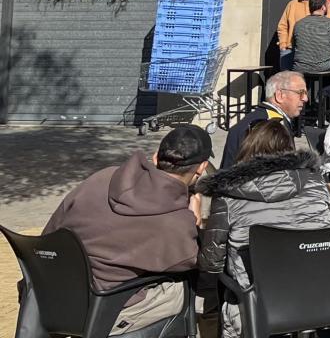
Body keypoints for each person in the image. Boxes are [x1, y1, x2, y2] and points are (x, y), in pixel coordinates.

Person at [41, 126, 212, 333]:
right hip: (110, 307)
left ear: (156, 157)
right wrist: (194, 222)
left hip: (56, 293)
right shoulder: (175, 222)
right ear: (201, 168)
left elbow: (52, 230)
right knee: (186, 287)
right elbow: (194, 261)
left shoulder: (102, 177)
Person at [199, 120, 330, 338]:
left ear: (247, 147)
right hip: (319, 302)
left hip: (255, 307)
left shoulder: (227, 195)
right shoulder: (317, 183)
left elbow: (211, 263)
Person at [223, 71, 307, 170]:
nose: (305, 98)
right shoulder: (274, 126)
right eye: (300, 93)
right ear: (280, 95)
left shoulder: (254, 118)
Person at [275, 0, 330, 72]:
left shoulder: (323, 4)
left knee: (305, 81)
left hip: (312, 50)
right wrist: (283, 45)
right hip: (290, 50)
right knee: (286, 80)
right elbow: (282, 26)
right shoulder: (293, 4)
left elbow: (329, 26)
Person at [291, 0, 330, 76]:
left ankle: (304, 88)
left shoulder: (298, 24)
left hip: (299, 67)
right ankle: (326, 89)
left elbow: (294, 45)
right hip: (322, 66)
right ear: (323, 7)